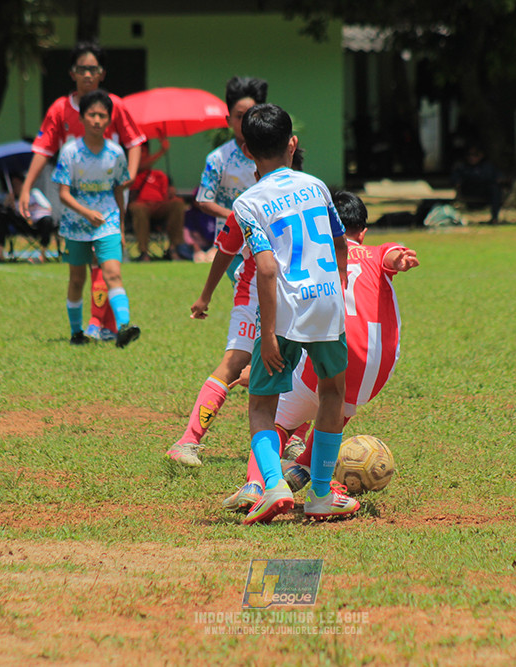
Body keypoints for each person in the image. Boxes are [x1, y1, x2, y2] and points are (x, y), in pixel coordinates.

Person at [222, 191, 419, 510]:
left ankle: (257, 484)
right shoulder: (375, 252)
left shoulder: (315, 261)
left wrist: (266, 362)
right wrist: (400, 258)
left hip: (329, 365)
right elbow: (390, 255)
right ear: (363, 233)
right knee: (335, 411)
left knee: (278, 423)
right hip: (374, 377)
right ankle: (303, 471)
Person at [232, 103, 354, 525]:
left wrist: (266, 335)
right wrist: (336, 294)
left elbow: (266, 268)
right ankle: (320, 493)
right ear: (292, 144)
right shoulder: (317, 186)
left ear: (247, 150)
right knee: (332, 392)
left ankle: (274, 485)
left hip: (285, 313)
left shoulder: (248, 202)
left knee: (262, 405)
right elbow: (340, 246)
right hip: (327, 305)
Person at [165, 145, 305, 468]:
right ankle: (187, 441)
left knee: (300, 367)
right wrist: (206, 295)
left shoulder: (309, 197)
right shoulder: (248, 204)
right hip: (254, 293)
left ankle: (291, 438)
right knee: (234, 362)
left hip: (295, 295)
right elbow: (225, 251)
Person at [18, 41, 144, 221]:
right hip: (73, 193)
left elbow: (134, 142)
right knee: (77, 245)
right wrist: (26, 187)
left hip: (109, 190)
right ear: (72, 73)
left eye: (93, 70)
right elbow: (43, 150)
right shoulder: (59, 109)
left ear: (102, 74)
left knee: (109, 242)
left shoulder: (115, 105)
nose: (87, 75)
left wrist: (129, 177)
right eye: (81, 69)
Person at [53, 89, 140, 349]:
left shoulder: (116, 153)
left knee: (113, 274)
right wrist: (86, 212)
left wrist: (121, 226)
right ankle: (76, 331)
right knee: (77, 278)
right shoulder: (70, 152)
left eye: (102, 115)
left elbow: (118, 191)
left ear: (109, 120)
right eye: (92, 114)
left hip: (108, 221)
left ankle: (124, 327)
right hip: (76, 224)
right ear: (82, 118)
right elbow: (63, 193)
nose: (97, 120)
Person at [194, 76, 267, 280]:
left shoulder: (271, 152)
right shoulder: (218, 158)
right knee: (247, 294)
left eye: (250, 115)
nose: (245, 122)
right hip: (233, 244)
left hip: (269, 239)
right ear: (228, 120)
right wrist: (237, 218)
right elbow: (203, 200)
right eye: (239, 116)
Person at [128, 139, 186, 261]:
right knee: (138, 208)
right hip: (141, 207)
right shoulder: (131, 175)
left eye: (143, 152)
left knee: (177, 203)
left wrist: (170, 194)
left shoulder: (159, 175)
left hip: (159, 207)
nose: (140, 155)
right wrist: (162, 151)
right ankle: (144, 252)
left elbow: (165, 196)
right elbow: (140, 165)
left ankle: (175, 247)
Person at [449, 145, 503, 225]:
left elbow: (499, 178)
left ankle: (494, 218)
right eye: (469, 155)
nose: (472, 157)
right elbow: (455, 179)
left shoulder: (488, 167)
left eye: (475, 155)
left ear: (481, 155)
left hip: (485, 193)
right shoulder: (462, 167)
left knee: (495, 189)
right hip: (468, 191)